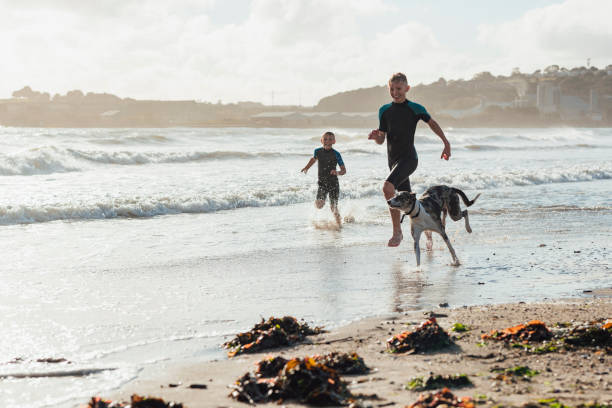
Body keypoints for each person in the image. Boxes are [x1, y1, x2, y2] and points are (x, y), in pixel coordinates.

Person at [368, 72, 451, 247]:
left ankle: (397, 232)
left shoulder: (415, 108)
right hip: (393, 161)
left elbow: (432, 123)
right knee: (409, 201)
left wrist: (445, 142)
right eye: (392, 89)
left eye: (398, 89)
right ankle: (427, 230)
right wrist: (376, 137)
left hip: (409, 159)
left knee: (387, 187)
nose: (395, 92)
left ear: (407, 88)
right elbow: (382, 139)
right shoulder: (384, 111)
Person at [301, 131, 346, 225]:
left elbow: (344, 170)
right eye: (325, 139)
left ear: (334, 141)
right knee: (319, 205)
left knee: (333, 207)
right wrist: (306, 167)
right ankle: (323, 201)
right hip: (322, 183)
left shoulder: (336, 154)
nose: (327, 141)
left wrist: (337, 172)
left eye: (330, 139)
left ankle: (339, 225)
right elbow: (313, 159)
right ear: (321, 140)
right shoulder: (317, 151)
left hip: (334, 184)